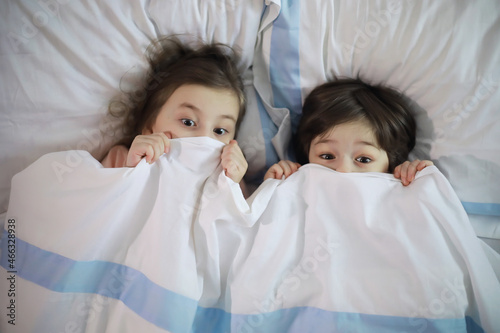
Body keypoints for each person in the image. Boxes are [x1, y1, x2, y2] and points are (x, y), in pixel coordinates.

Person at [101, 36, 248, 185]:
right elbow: (92, 203)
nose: (204, 139)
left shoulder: (229, 178)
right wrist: (131, 170)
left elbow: (242, 209)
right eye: (188, 122)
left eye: (220, 131)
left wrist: (232, 186)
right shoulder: (123, 158)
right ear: (149, 126)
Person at [264, 78, 433, 186]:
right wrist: (273, 189)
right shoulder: (296, 186)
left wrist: (421, 182)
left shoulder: (402, 189)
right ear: (307, 155)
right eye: (327, 156)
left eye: (364, 159)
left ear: (391, 165)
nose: (343, 171)